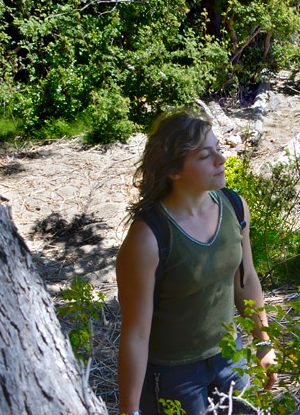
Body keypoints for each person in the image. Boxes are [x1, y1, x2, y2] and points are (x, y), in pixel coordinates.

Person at [116, 113, 277, 415]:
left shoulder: (234, 206)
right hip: (174, 374)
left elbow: (245, 280)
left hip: (231, 358)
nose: (222, 159)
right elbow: (135, 333)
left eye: (218, 148)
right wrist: (130, 410)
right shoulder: (148, 238)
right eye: (206, 155)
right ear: (174, 170)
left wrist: (263, 344)